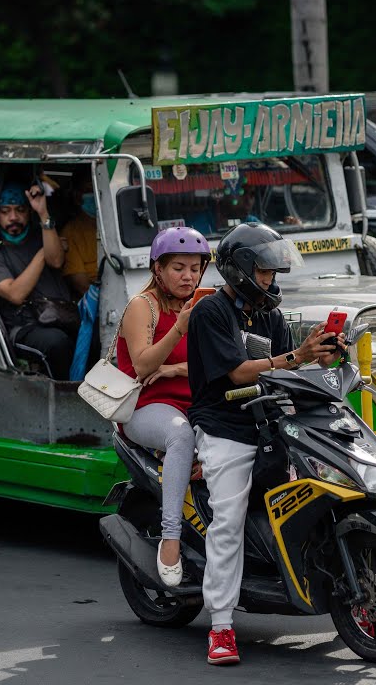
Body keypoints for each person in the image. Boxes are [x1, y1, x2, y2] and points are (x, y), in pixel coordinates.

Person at [186, 222, 345, 665]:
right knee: (229, 521)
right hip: (225, 427)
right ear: (238, 270)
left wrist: (325, 354)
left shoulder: (269, 315)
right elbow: (238, 373)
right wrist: (296, 356)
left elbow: (289, 371)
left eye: (274, 272)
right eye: (263, 272)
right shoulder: (211, 313)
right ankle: (220, 626)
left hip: (272, 425)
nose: (270, 280)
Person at [114, 226, 211, 588]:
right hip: (147, 406)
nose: (189, 276)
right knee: (180, 435)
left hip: (197, 402)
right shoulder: (143, 306)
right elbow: (141, 366)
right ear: (158, 269)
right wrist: (179, 328)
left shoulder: (206, 303)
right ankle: (170, 537)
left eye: (195, 268)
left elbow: (218, 361)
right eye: (178, 268)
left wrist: (177, 368)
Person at [0, 182, 75, 379]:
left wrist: (43, 213)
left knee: (92, 335)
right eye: (5, 211)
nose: (13, 217)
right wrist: (43, 252)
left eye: (20, 210)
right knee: (56, 342)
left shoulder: (39, 236)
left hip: (60, 315)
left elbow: (57, 260)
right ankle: (65, 398)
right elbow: (15, 294)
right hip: (25, 327)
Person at [60, 176, 100, 299]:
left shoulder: (115, 223)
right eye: (89, 190)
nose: (95, 193)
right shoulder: (70, 232)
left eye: (97, 189)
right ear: (78, 197)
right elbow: (82, 286)